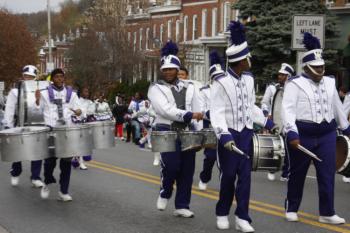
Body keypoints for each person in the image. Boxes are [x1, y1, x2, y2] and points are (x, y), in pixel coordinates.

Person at [210, 21, 276, 232]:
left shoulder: (248, 79)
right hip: (228, 136)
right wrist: (224, 135)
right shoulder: (220, 82)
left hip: (246, 134)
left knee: (245, 178)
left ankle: (242, 217)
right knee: (228, 177)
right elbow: (217, 113)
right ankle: (222, 212)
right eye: (248, 57)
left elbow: (250, 107)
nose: (250, 60)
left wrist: (266, 121)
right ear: (240, 61)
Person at [282, 32, 350, 224]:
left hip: (327, 133)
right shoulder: (294, 84)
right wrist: (291, 132)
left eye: (322, 67)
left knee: (327, 173)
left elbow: (337, 106)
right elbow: (287, 110)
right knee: (298, 172)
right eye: (316, 68)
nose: (320, 70)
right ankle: (292, 207)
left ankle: (327, 212)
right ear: (306, 67)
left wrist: (346, 128)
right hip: (303, 134)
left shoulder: (330, 82)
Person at [147, 41, 203, 218]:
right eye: (165, 69)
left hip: (187, 132)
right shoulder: (155, 88)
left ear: (177, 70)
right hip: (165, 130)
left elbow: (199, 110)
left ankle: (182, 205)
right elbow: (165, 110)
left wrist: (199, 133)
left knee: (187, 170)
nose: (168, 72)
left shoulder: (191, 87)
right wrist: (189, 115)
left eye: (171, 69)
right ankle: (165, 192)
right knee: (171, 166)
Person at [35, 68, 82, 201]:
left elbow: (79, 109)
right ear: (52, 79)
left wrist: (78, 111)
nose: (60, 79)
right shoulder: (44, 93)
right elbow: (37, 109)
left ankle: (63, 191)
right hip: (50, 130)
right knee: (50, 162)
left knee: (66, 162)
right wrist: (37, 100)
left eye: (62, 77)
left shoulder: (71, 94)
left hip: (66, 131)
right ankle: (47, 183)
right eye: (57, 77)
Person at [3, 65, 44, 188]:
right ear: (23, 76)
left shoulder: (40, 91)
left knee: (37, 152)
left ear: (35, 78)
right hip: (19, 124)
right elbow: (9, 109)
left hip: (37, 125)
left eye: (31, 77)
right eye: (26, 76)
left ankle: (35, 177)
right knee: (18, 152)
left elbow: (42, 108)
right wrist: (8, 126)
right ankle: (15, 173)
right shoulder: (15, 91)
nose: (28, 78)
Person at [261, 63, 294, 182]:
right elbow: (265, 102)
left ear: (288, 76)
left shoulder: (294, 89)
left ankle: (286, 173)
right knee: (275, 148)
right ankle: (272, 169)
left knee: (289, 150)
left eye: (283, 75)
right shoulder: (272, 88)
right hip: (274, 122)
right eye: (279, 74)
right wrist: (266, 113)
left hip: (288, 124)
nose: (280, 76)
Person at [197, 50, 225, 191]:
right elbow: (202, 112)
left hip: (225, 126)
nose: (219, 79)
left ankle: (224, 182)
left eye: (221, 76)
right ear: (211, 77)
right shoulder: (204, 91)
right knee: (210, 157)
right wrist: (214, 113)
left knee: (226, 158)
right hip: (209, 126)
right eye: (216, 77)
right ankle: (204, 177)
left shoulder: (227, 89)